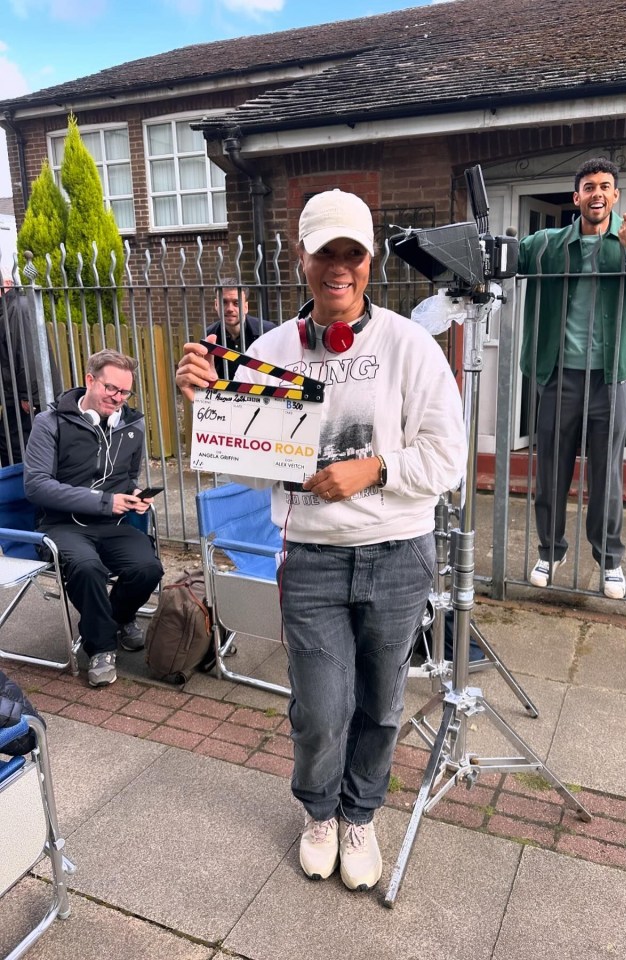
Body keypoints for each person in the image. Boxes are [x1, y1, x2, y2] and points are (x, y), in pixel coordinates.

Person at [176, 189, 466, 893]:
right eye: (324, 252)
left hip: (399, 555)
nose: (339, 267)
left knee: (381, 702)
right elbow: (250, 466)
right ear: (301, 257)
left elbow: (448, 457)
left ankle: (360, 813)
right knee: (320, 707)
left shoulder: (407, 345)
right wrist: (210, 411)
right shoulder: (269, 350)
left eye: (352, 253)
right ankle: (320, 813)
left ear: (368, 262)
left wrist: (378, 468)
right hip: (309, 557)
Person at [518, 158, 626, 599]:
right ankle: (550, 551)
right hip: (558, 375)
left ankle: (610, 561)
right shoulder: (548, 245)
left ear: (616, 196)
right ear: (576, 197)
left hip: (610, 379)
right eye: (588, 187)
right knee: (550, 470)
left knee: (606, 476)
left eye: (605, 186)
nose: (597, 193)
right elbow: (507, 256)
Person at [24, 349, 164, 688]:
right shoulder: (50, 423)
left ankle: (114, 618)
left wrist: (134, 500)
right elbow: (36, 486)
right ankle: (100, 647)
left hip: (112, 526)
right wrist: (104, 501)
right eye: (110, 389)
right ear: (90, 380)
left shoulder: (132, 425)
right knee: (88, 568)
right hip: (61, 526)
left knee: (149, 568)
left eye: (125, 392)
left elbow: (128, 477)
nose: (117, 399)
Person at [0, 285, 61, 465]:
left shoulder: (19, 308)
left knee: (20, 447)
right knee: (10, 444)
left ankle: (27, 490)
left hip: (28, 398)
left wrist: (30, 395)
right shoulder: (7, 308)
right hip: (15, 395)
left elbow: (29, 353)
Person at [205, 280, 276, 378]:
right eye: (224, 302)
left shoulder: (267, 332)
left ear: (246, 307)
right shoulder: (209, 336)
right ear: (216, 305)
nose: (230, 308)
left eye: (236, 303)